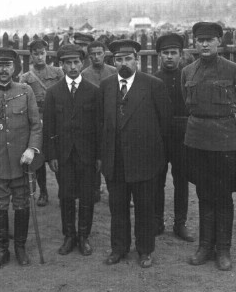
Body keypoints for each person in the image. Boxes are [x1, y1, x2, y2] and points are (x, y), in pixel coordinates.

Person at [182, 22, 236, 271]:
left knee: (223, 196)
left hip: (225, 143)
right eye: (200, 39)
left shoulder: (234, 71)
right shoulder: (188, 71)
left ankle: (223, 249)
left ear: (219, 42)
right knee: (203, 194)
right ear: (194, 42)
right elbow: (187, 104)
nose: (204, 44)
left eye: (209, 39)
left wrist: (229, 129)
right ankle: (205, 246)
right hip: (197, 141)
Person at [99, 39, 171, 268]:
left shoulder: (153, 85)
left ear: (137, 60)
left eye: (128, 58)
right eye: (118, 59)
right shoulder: (107, 85)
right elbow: (102, 124)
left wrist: (158, 160)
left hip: (145, 161)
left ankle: (145, 250)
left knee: (144, 208)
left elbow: (165, 125)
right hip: (115, 161)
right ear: (113, 61)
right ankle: (119, 248)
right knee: (117, 207)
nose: (123, 63)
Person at [0, 48, 42, 271]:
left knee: (22, 205)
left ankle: (20, 248)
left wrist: (32, 149)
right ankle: (1, 251)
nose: (4, 70)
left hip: (21, 163)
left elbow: (36, 125)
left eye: (8, 65)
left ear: (14, 68)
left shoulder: (25, 91)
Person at [44, 44, 101, 257]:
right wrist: (51, 155)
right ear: (61, 65)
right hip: (64, 156)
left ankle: (84, 236)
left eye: (76, 62)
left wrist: (98, 156)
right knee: (66, 195)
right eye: (68, 63)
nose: (73, 66)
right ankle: (69, 236)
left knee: (87, 196)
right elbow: (48, 127)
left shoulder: (93, 92)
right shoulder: (53, 93)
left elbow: (99, 127)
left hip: (87, 155)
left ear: (82, 63)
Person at [152, 33, 194, 241]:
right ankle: (157, 222)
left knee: (182, 181)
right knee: (157, 181)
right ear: (159, 55)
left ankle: (180, 224)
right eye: (165, 53)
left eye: (173, 53)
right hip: (159, 139)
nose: (169, 57)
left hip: (182, 139)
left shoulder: (188, 77)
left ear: (180, 54)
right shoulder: (153, 80)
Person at [19, 39, 63, 206]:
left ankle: (63, 189)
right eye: (36, 54)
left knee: (58, 154)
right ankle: (43, 192)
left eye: (42, 53)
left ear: (47, 54)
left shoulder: (57, 72)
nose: (39, 57)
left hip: (55, 120)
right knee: (38, 158)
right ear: (31, 56)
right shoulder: (26, 77)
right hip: (36, 121)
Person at [81, 40, 116, 203]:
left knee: (112, 156)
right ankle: (94, 189)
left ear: (104, 54)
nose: (96, 57)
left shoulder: (114, 71)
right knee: (93, 154)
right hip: (91, 120)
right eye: (93, 54)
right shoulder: (83, 75)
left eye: (99, 53)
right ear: (89, 56)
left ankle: (114, 190)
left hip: (111, 120)